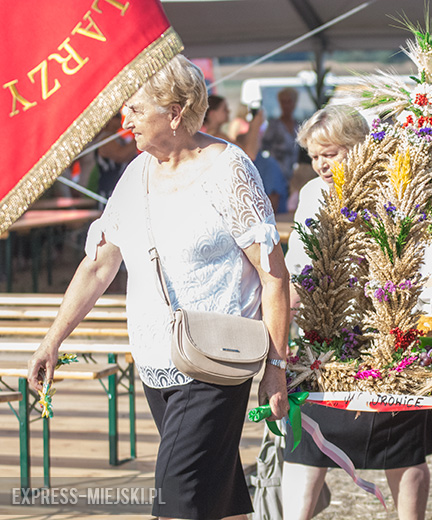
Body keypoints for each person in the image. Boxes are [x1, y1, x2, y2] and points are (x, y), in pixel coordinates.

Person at [26, 55, 290, 520]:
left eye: (133, 108)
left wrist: (276, 365)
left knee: (175, 500)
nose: (123, 119)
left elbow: (274, 276)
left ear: (173, 111)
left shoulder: (229, 170)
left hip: (214, 362)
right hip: (154, 363)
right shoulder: (135, 174)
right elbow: (96, 267)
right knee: (215, 499)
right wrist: (52, 340)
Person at [282, 104, 432, 520]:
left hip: (391, 335)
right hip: (325, 338)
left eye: (329, 153)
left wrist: (419, 320)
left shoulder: (398, 186)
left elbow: (427, 261)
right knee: (306, 449)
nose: (320, 164)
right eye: (314, 155)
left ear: (357, 148)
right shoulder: (313, 194)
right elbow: (298, 262)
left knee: (402, 449)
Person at [262, 87, 300, 184]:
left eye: (289, 102)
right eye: (283, 102)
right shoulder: (274, 124)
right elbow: (264, 146)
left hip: (295, 174)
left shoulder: (298, 125)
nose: (286, 105)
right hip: (277, 173)